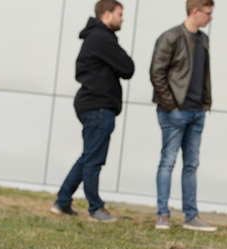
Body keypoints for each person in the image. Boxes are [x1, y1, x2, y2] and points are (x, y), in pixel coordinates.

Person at [51, 0, 134, 222]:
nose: (122, 19)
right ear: (107, 14)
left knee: (89, 156)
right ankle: (95, 208)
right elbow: (128, 67)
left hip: (94, 105)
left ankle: (62, 201)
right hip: (98, 106)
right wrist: (115, 66)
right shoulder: (101, 38)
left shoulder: (97, 38)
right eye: (120, 14)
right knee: (94, 160)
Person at [150, 0, 215, 231]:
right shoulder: (171, 37)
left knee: (191, 165)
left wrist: (203, 106)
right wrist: (171, 106)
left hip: (197, 112)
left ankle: (191, 216)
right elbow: (156, 73)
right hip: (175, 112)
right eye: (207, 13)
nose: (211, 18)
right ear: (195, 11)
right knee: (168, 162)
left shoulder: (203, 39)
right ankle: (163, 215)